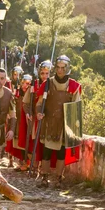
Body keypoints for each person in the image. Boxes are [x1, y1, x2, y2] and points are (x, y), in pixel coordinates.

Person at [33, 55, 82, 188]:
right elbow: (39, 103)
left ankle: (59, 178)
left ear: (67, 69)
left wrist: (73, 130)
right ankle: (44, 177)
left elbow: (76, 108)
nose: (60, 70)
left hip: (63, 124)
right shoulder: (47, 84)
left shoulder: (74, 86)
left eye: (63, 68)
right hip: (49, 122)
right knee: (46, 152)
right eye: (58, 67)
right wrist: (39, 112)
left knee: (61, 152)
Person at [6, 74, 33, 171]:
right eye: (23, 83)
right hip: (18, 122)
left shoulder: (32, 94)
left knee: (28, 143)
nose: (25, 85)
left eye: (27, 83)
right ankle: (22, 163)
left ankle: (29, 164)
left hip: (28, 123)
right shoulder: (17, 94)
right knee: (18, 143)